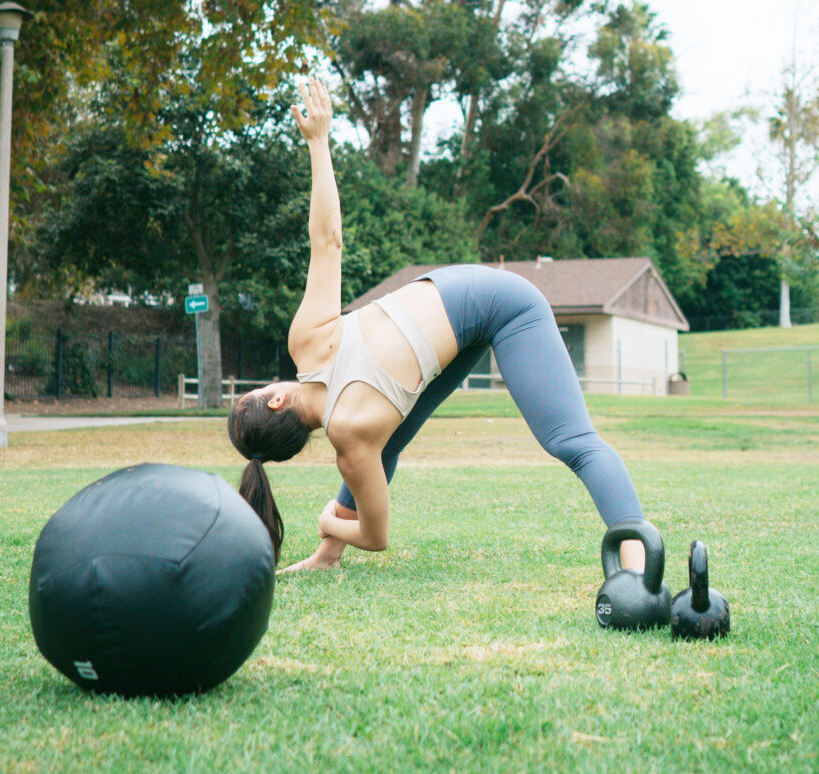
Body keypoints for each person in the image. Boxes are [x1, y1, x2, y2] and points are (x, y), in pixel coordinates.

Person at [228, 77, 647, 572]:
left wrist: (331, 522)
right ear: (275, 399)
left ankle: (640, 561)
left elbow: (375, 536)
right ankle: (641, 565)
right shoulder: (309, 343)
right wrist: (318, 142)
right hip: (463, 304)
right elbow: (327, 241)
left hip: (504, 304)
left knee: (562, 442)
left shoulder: (351, 442)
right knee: (568, 444)